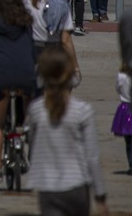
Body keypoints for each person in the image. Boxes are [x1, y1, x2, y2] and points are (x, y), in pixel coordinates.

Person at [27, 48, 108, 215]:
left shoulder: (36, 110)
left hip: (47, 187)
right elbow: (92, 156)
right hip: (77, 185)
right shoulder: (83, 110)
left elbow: (33, 145)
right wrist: (100, 195)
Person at [0, 0, 36, 184]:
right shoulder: (26, 22)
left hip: (3, 75)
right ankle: (29, 124)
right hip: (26, 73)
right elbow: (31, 46)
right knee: (29, 98)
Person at [25, 0, 79, 70]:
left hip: (33, 50)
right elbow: (66, 40)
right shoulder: (62, 5)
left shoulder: (28, 3)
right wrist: (75, 66)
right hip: (54, 51)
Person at [112, 60, 132, 175]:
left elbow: (117, 88)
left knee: (128, 141)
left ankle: (131, 164)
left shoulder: (121, 76)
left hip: (125, 108)